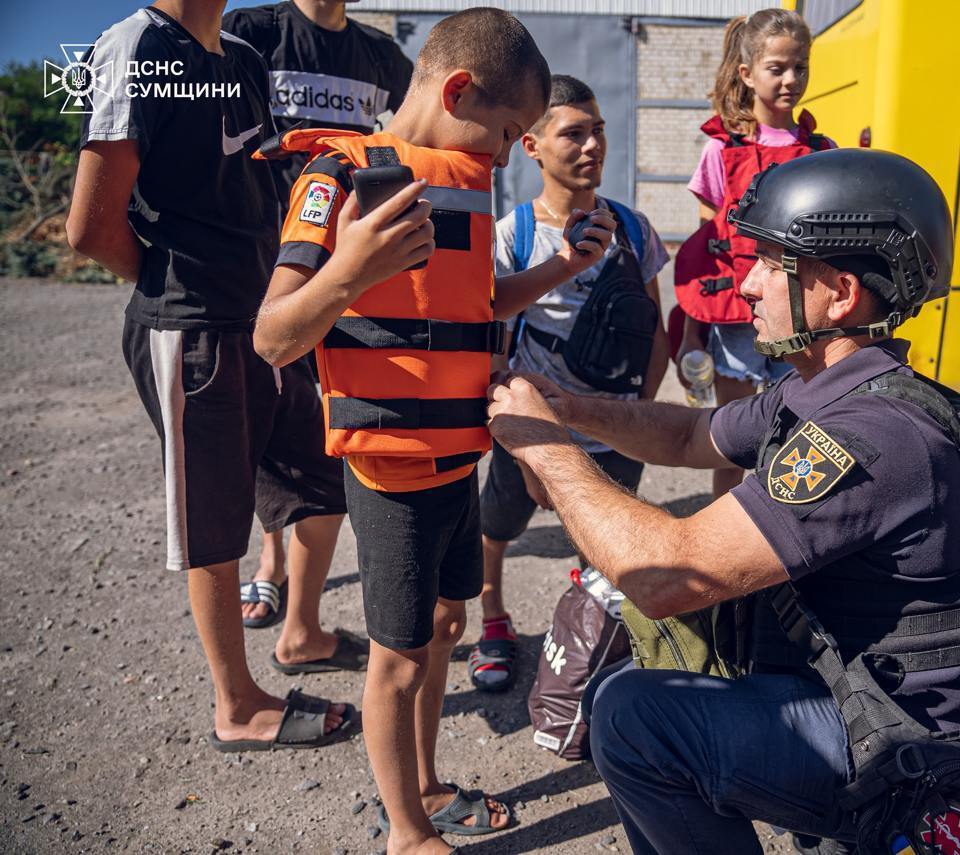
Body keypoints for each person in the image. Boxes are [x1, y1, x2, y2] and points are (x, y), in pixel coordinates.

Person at [486, 148, 960, 854]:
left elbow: (665, 574)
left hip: (891, 743)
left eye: (768, 263)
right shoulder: (822, 389)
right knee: (644, 691)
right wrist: (571, 410)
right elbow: (692, 432)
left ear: (839, 294)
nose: (745, 286)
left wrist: (540, 446)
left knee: (632, 712)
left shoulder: (871, 435)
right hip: (841, 699)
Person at [251, 9, 618, 852]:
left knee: (445, 629)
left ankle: (422, 783)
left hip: (458, 460)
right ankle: (407, 834)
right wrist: (348, 270)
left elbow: (474, 305)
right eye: (506, 132)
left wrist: (562, 267)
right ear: (457, 92)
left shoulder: (462, 174)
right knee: (401, 659)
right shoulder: (336, 175)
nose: (505, 153)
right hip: (391, 472)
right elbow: (274, 335)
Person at [66, 0, 357, 751]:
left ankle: (302, 632)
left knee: (320, 473)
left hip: (266, 321)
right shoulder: (135, 47)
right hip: (193, 327)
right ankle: (237, 704)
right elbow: (90, 228)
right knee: (214, 518)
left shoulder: (242, 57)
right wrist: (180, 290)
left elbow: (257, 184)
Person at [467, 74, 670, 693]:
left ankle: (585, 631)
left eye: (599, 131)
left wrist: (639, 419)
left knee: (604, 545)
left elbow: (654, 331)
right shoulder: (515, 236)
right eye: (574, 133)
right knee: (496, 528)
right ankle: (492, 617)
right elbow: (493, 349)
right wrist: (529, 452)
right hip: (536, 431)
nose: (592, 146)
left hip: (615, 429)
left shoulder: (634, 229)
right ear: (531, 145)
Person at [223, 0, 413, 629]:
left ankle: (318, 564)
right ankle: (270, 562)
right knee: (268, 415)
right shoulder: (253, 33)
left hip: (351, 264)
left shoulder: (380, 54)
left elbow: (420, 128)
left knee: (318, 418)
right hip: (267, 260)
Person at [674, 8, 836, 499]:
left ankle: (788, 523)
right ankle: (727, 528)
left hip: (802, 316)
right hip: (736, 321)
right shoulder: (720, 151)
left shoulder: (823, 151)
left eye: (800, 67)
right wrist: (690, 335)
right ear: (747, 74)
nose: (791, 79)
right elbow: (707, 249)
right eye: (778, 68)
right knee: (734, 438)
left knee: (800, 431)